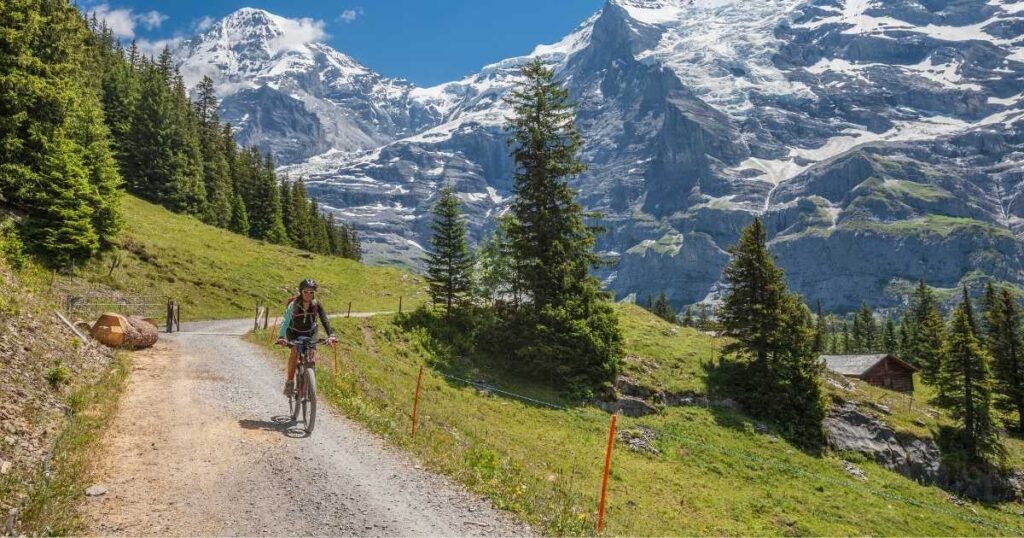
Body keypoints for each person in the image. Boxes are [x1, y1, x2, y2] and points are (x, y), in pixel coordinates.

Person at [276, 279, 337, 395]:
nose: (309, 294)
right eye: (306, 292)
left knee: (312, 357)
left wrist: (331, 335)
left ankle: (309, 382)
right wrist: (281, 336)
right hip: (294, 332)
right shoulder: (294, 305)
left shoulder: (316, 305)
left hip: (310, 332)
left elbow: (325, 320)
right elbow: (285, 320)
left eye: (311, 292)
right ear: (301, 292)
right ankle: (289, 383)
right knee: (294, 352)